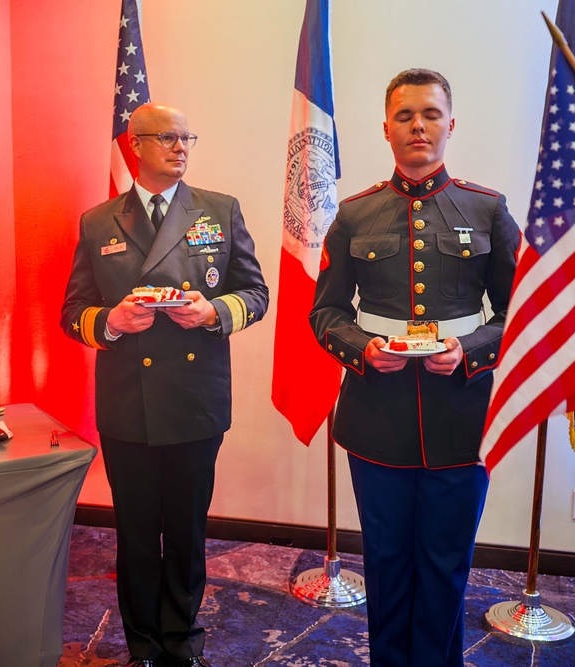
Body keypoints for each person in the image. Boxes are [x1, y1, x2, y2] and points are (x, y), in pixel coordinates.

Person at [308, 69, 521, 667]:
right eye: (405, 116)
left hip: (462, 417)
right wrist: (361, 349)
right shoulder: (356, 213)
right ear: (386, 129)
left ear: (450, 125)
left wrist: (472, 350)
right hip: (376, 420)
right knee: (386, 561)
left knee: (447, 565)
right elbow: (324, 311)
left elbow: (523, 312)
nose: (418, 126)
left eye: (430, 114)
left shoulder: (486, 209)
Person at [61, 103, 269, 667]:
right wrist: (110, 322)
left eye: (186, 137)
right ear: (135, 146)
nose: (181, 147)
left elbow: (256, 294)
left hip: (194, 399)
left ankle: (182, 642)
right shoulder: (99, 220)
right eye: (167, 138)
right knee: (134, 533)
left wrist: (212, 312)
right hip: (129, 401)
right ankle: (143, 646)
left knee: (184, 531)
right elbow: (73, 310)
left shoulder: (219, 210)